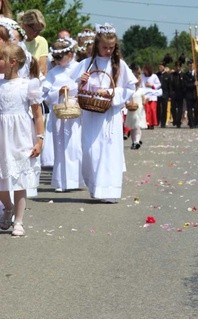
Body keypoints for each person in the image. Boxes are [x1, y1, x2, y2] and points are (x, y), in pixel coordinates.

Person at [71, 23, 137, 203]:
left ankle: (109, 191)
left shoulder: (119, 65)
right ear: (97, 46)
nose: (108, 51)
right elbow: (70, 87)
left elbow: (130, 86)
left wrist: (109, 93)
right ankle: (95, 187)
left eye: (111, 47)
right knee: (90, 151)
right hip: (91, 114)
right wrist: (80, 81)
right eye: (104, 47)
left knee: (109, 151)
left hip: (110, 114)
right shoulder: (86, 64)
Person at [0, 43, 44, 236]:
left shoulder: (28, 85)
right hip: (1, 137)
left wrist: (39, 139)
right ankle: (7, 207)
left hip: (20, 136)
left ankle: (18, 221)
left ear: (12, 62)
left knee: (19, 180)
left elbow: (38, 114)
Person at [42, 37, 84, 192]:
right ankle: (61, 181)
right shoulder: (53, 73)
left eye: (61, 57)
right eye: (56, 58)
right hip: (59, 112)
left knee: (75, 146)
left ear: (70, 54)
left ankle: (77, 180)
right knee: (60, 146)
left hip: (75, 111)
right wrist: (57, 92)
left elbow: (84, 86)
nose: (58, 61)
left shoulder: (80, 67)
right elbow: (44, 95)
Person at [19, 9, 48, 76]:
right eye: (35, 30)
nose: (37, 33)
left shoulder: (41, 41)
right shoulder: (15, 40)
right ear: (25, 25)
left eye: (39, 31)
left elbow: (42, 68)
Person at [125, 64, 146, 149]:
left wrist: (144, 102)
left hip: (139, 108)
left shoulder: (140, 88)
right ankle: (134, 142)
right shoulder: (130, 84)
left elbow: (143, 98)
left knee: (137, 126)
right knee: (133, 127)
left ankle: (136, 141)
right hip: (131, 108)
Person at [141, 64, 162, 129]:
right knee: (147, 110)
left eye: (146, 70)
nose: (145, 72)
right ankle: (147, 123)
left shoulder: (154, 76)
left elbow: (158, 84)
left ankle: (152, 123)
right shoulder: (142, 76)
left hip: (153, 95)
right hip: (145, 95)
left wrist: (152, 85)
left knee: (153, 110)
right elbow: (141, 85)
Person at [184, 59, 198, 128]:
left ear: (194, 65)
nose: (191, 66)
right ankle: (191, 123)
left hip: (196, 94)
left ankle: (196, 122)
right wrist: (193, 84)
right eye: (189, 65)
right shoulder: (186, 74)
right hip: (189, 95)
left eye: (192, 65)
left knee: (197, 109)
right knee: (189, 110)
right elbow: (186, 85)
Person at [170, 60, 185, 128]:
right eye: (176, 66)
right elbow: (170, 84)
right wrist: (171, 93)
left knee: (180, 108)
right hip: (174, 93)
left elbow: (184, 84)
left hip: (181, 93)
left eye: (179, 66)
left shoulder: (183, 75)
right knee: (173, 108)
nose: (177, 68)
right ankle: (175, 119)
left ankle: (178, 121)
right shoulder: (172, 75)